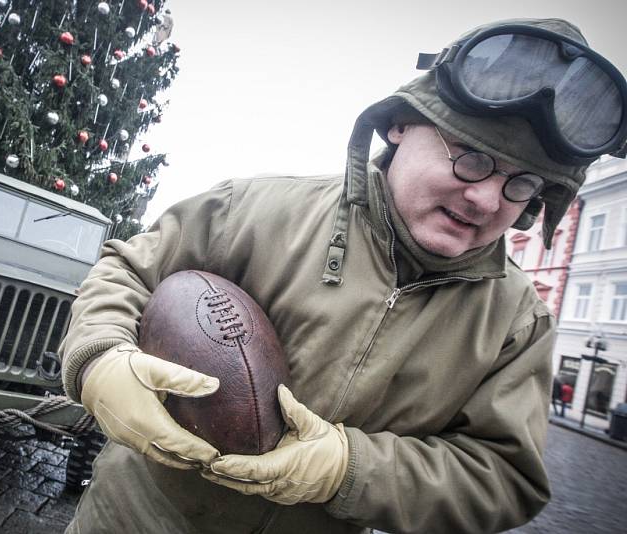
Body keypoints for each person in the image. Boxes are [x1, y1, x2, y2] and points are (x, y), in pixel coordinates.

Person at [60, 18, 627, 534]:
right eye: (471, 157)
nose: (484, 199)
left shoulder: (516, 322)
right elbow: (128, 272)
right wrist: (101, 356)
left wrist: (346, 469)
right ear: (403, 124)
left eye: (521, 184)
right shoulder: (256, 208)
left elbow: (504, 477)